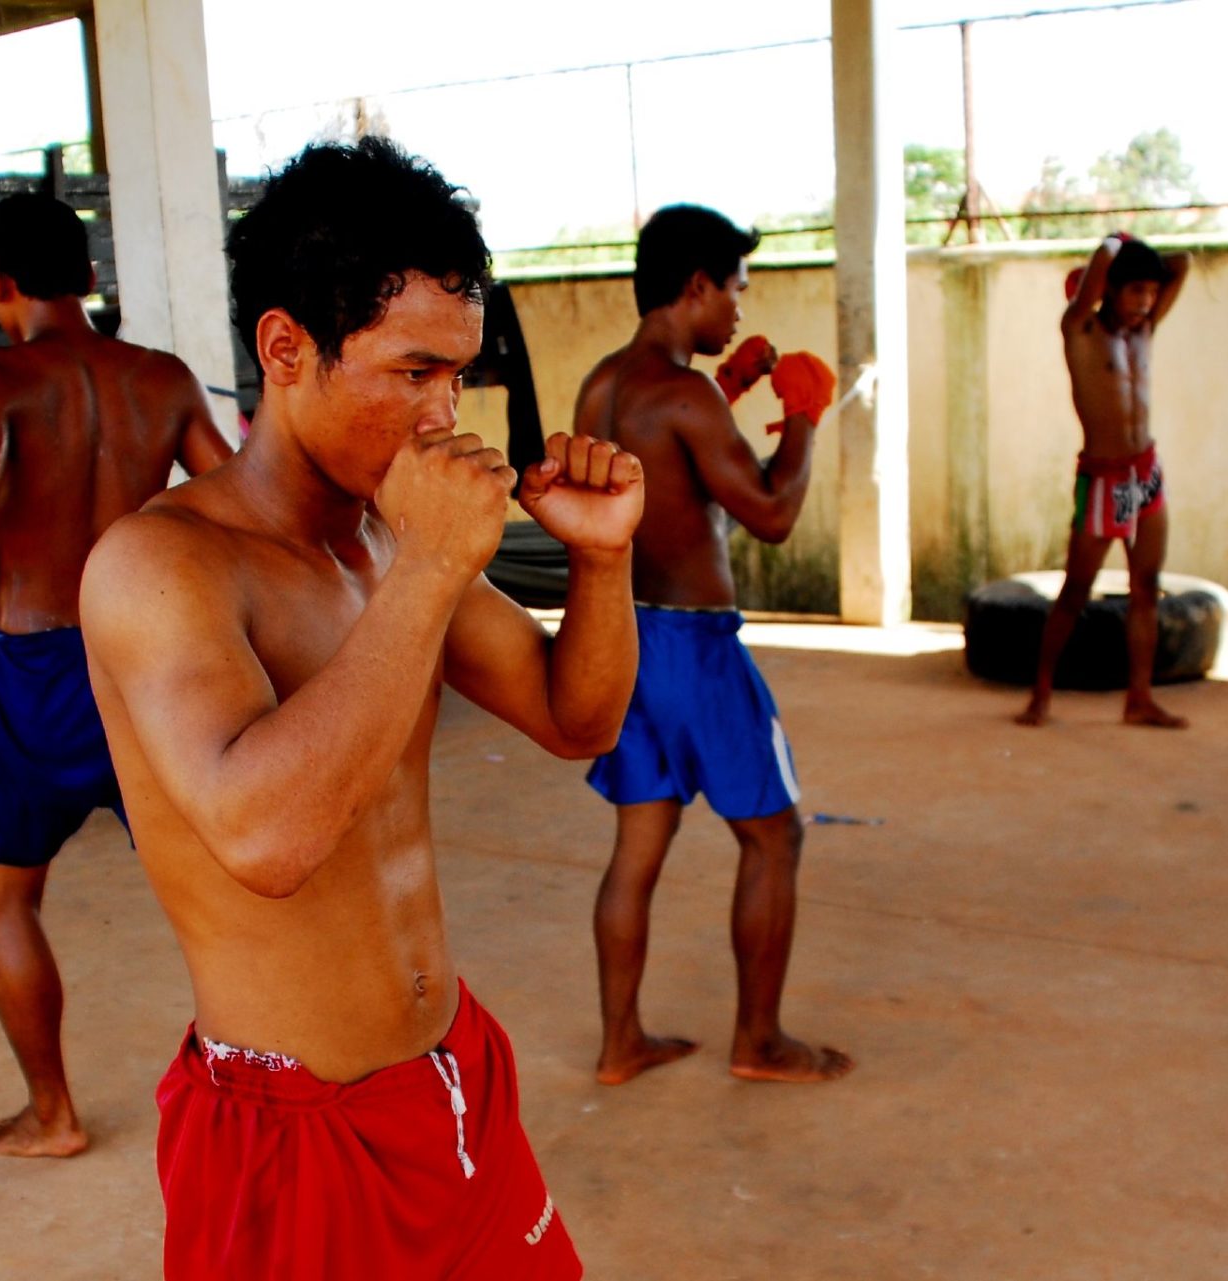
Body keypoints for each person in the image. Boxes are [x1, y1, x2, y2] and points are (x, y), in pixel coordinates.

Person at [81, 138, 640, 1278]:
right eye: (410, 372)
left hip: (452, 1077)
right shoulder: (162, 567)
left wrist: (602, 563)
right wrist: (432, 570)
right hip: (290, 1135)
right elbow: (268, 838)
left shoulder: (389, 536)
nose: (444, 415)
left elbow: (577, 721)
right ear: (287, 349)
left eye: (458, 377)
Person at [0, 193, 232, 1157]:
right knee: (216, 891)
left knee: (10, 899)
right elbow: (231, 495)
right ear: (85, 273)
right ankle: (265, 1083)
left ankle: (53, 1113)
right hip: (147, 658)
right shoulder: (162, 377)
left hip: (38, 670)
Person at [574, 204, 851, 1087]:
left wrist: (727, 390)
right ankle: (760, 1040)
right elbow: (768, 514)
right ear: (695, 287)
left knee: (637, 846)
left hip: (624, 641)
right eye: (733, 289)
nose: (739, 307)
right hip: (696, 651)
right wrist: (805, 415)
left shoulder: (604, 384)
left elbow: (658, 470)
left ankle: (621, 1043)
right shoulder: (682, 394)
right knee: (775, 838)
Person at [1016, 233, 1191, 729]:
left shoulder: (1145, 332)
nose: (1146, 301)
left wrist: (1136, 251)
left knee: (1146, 586)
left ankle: (1139, 698)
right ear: (1109, 289)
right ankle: (1041, 694)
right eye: (1135, 290)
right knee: (1076, 591)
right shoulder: (1080, 330)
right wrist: (1112, 243)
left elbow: (1184, 262)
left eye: (1151, 292)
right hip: (1102, 479)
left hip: (1145, 474)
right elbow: (1093, 284)